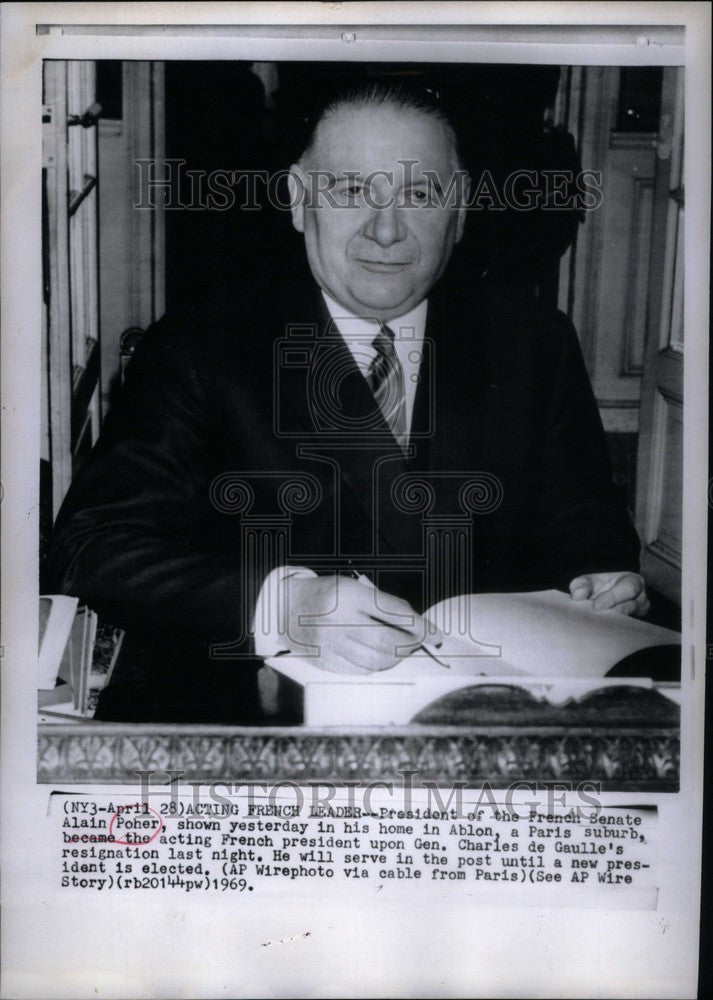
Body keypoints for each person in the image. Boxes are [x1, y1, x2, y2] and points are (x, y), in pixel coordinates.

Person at [47, 86, 647, 723]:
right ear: (300, 203)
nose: (386, 230)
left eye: (418, 195)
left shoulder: (535, 341)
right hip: (263, 727)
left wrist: (603, 576)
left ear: (461, 211)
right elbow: (90, 548)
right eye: (352, 191)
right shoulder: (203, 345)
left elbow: (586, 513)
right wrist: (286, 608)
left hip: (490, 719)